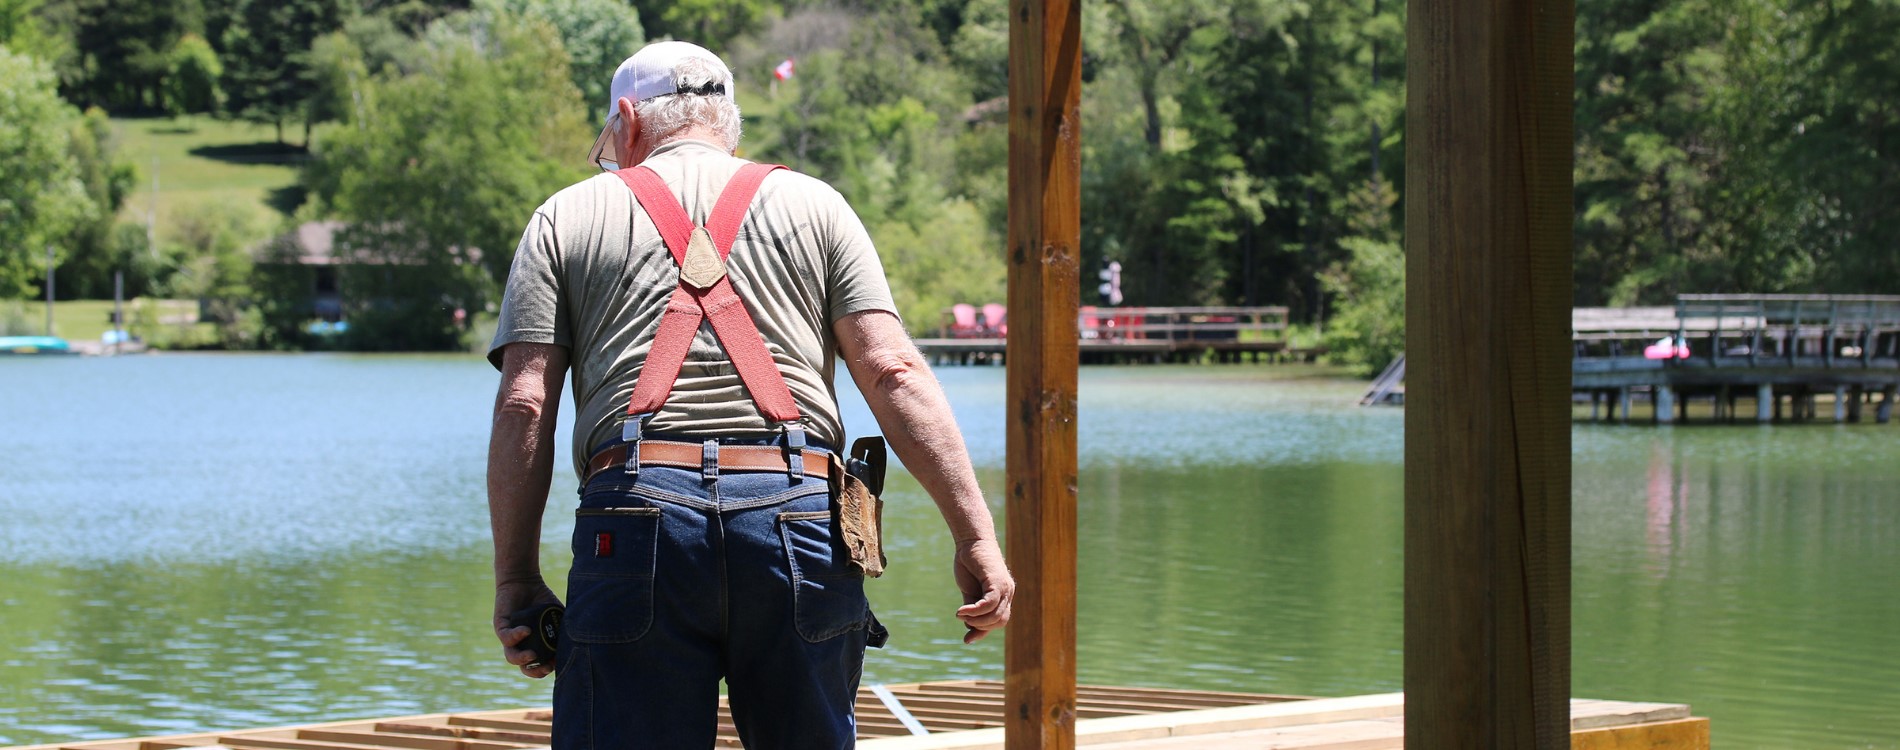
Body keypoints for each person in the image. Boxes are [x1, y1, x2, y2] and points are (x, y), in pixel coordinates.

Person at [484, 41, 1014, 748]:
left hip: (636, 522)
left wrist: (516, 578)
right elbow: (894, 373)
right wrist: (974, 533)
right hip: (797, 521)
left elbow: (525, 405)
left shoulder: (564, 217)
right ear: (726, 119)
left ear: (626, 118)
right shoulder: (817, 206)